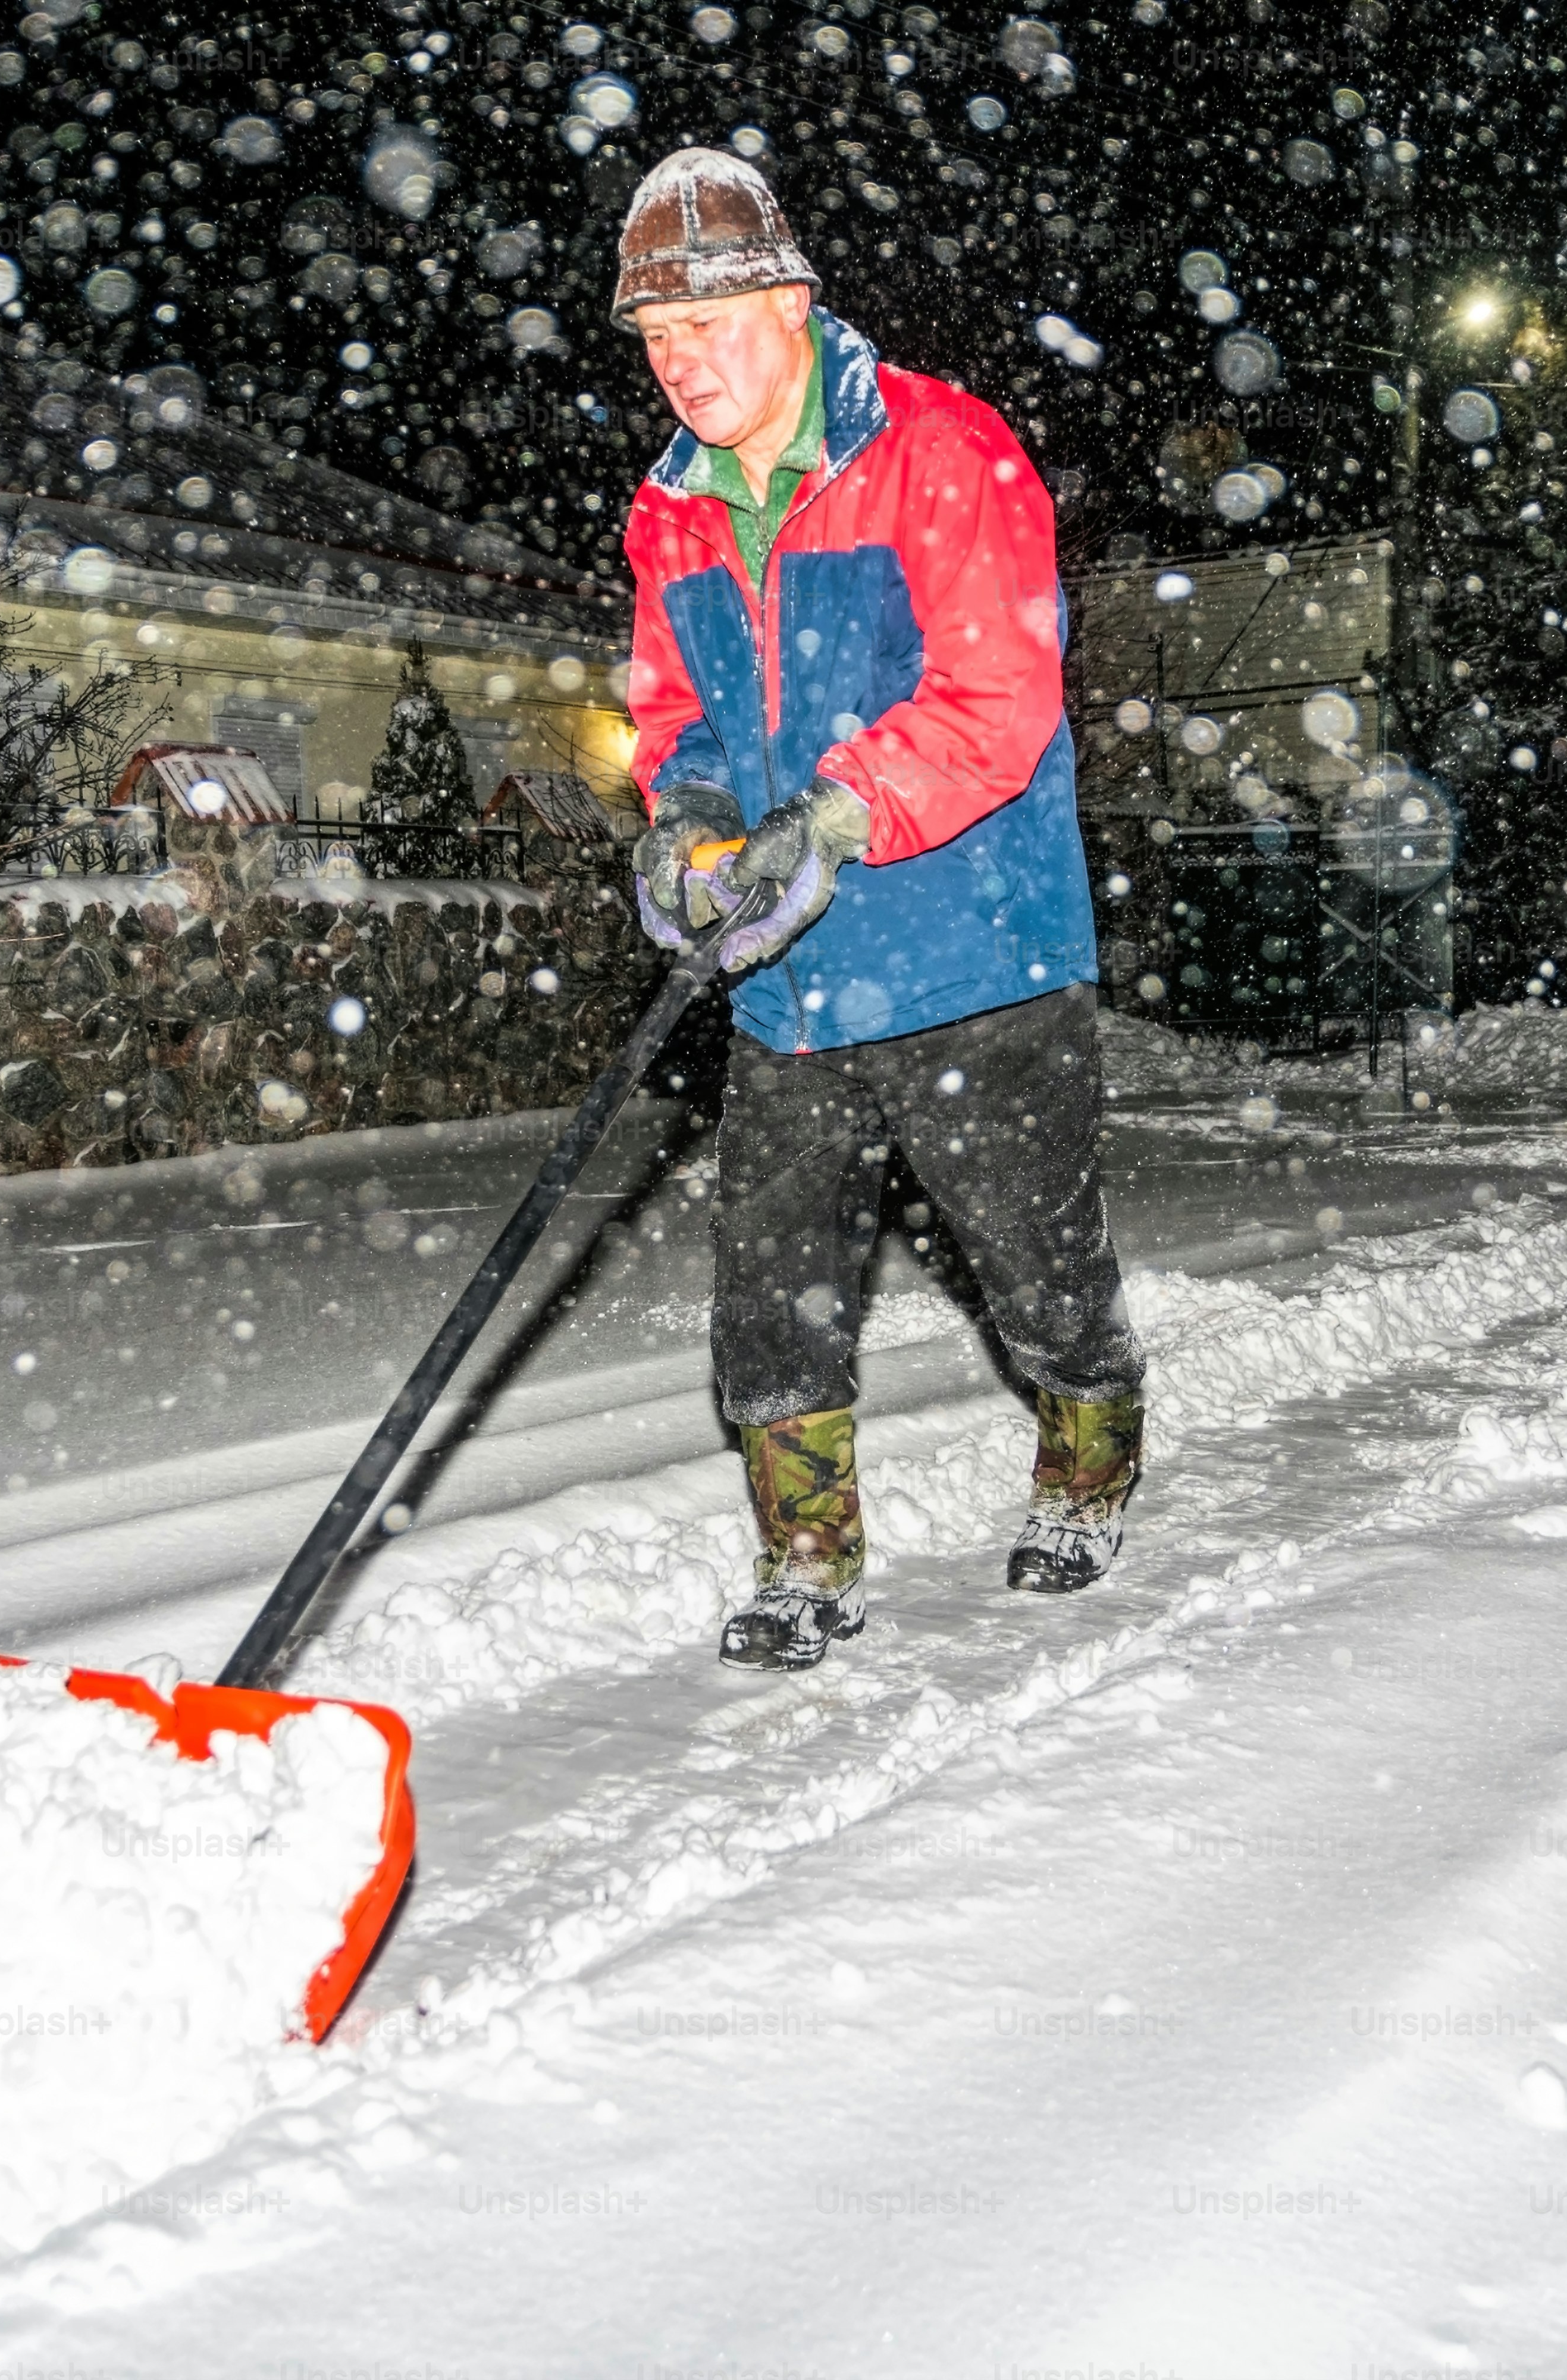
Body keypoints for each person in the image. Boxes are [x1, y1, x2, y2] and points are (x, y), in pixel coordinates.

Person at [611, 146, 1145, 1672]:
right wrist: (693, 819)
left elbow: (998, 698)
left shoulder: (943, 452)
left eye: (709, 328)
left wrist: (833, 817)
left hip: (976, 951)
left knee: (1034, 1269)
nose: (684, 367)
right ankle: (806, 1553)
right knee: (771, 1288)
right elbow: (678, 714)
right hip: (790, 975)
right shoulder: (672, 513)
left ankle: (1091, 1457)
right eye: (657, 340)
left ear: (793, 305)